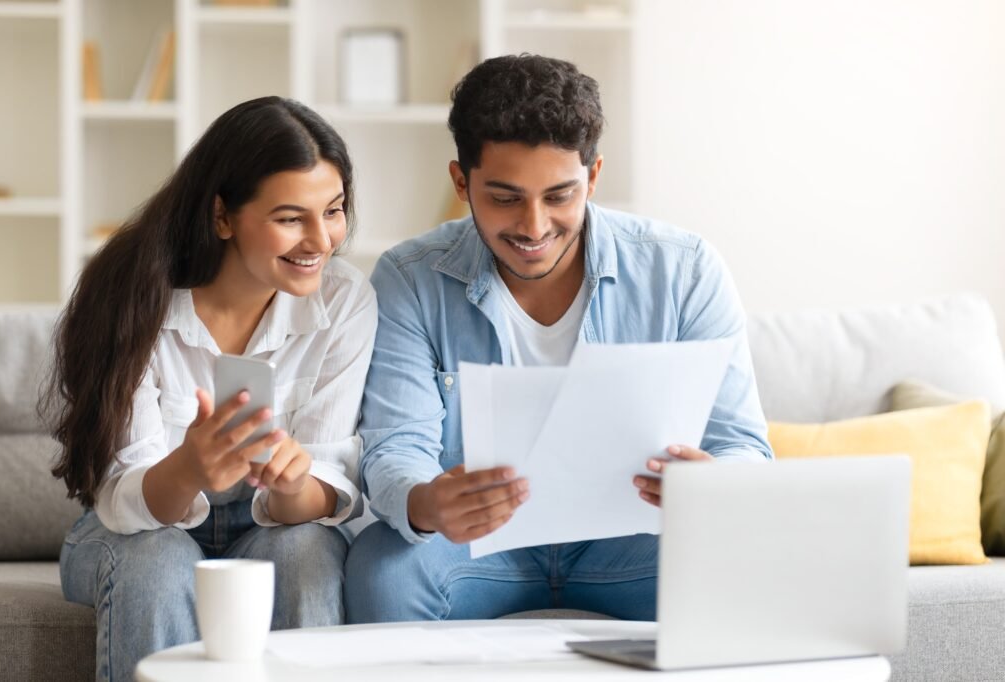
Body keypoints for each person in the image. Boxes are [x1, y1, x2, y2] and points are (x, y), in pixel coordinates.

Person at [344, 55, 773, 623]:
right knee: (382, 568)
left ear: (593, 177)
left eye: (560, 196)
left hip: (634, 543)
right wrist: (426, 504)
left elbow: (744, 445)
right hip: (477, 546)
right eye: (504, 198)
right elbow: (396, 449)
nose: (534, 226)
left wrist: (711, 486)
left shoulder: (685, 270)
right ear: (460, 181)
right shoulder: (409, 278)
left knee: (741, 560)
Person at [44, 96, 377, 681]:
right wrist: (190, 469)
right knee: (159, 561)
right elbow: (123, 499)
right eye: (290, 218)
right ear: (222, 216)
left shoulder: (345, 302)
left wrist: (296, 482)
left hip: (272, 526)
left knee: (306, 553)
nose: (321, 240)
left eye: (333, 211)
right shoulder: (133, 298)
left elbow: (329, 488)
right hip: (135, 528)